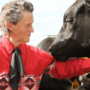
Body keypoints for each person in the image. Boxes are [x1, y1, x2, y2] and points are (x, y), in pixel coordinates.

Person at [0, 0, 90, 90]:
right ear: (10, 26)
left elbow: (64, 68)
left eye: (31, 25)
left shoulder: (37, 56)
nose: (32, 30)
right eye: (27, 25)